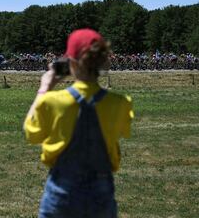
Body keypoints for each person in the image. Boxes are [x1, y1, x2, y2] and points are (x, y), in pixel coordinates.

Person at [23, 29, 134, 218]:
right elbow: (122, 131)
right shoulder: (121, 103)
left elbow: (31, 133)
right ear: (103, 62)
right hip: (102, 191)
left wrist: (45, 88)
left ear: (71, 63)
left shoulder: (52, 101)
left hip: (62, 190)